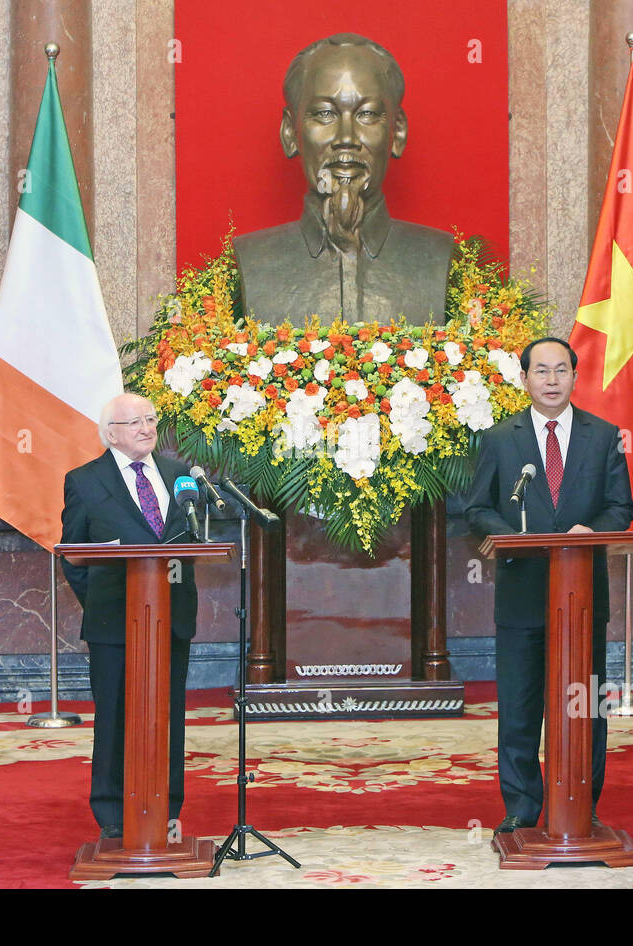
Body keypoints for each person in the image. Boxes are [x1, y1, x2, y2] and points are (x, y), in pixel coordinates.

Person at [464, 337, 633, 836]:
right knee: (520, 706)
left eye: (562, 370)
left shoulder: (603, 436)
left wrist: (592, 532)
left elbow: (621, 508)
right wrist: (512, 537)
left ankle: (584, 802)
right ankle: (522, 806)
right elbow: (477, 509)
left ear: (575, 378)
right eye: (542, 371)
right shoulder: (500, 439)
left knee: (585, 705)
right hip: (522, 593)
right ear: (525, 379)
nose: (552, 380)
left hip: (582, 598)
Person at [233, 33, 453, 328]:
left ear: (397, 133)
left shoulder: (435, 256)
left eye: (367, 114)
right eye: (325, 114)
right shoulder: (254, 260)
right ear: (290, 132)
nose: (346, 138)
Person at [59, 392, 199, 840]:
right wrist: (104, 600)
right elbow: (74, 555)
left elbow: (192, 543)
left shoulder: (180, 476)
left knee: (168, 716)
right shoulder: (84, 481)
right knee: (117, 716)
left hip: (171, 617)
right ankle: (113, 816)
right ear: (111, 433)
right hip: (113, 623)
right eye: (135, 422)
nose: (146, 428)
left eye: (151, 419)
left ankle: (167, 810)